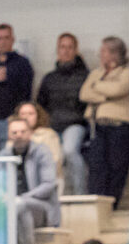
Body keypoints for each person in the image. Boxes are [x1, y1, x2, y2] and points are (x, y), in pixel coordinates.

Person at [82, 37, 129, 207]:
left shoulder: (125, 73)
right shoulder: (96, 73)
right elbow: (84, 93)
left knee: (117, 167)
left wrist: (96, 87)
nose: (100, 53)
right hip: (97, 127)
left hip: (119, 127)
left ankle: (112, 204)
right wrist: (105, 95)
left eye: (104, 50)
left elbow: (118, 89)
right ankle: (97, 204)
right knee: (97, 167)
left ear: (114, 53)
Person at [3, 116, 61, 244]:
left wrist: (23, 198)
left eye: (22, 131)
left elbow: (49, 184)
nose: (19, 135)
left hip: (42, 207)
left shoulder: (42, 152)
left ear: (30, 133)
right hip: (13, 206)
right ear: (8, 135)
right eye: (14, 132)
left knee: (19, 205)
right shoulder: (4, 155)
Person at [38, 33, 90, 195]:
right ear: (57, 50)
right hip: (52, 125)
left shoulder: (85, 76)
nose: (66, 51)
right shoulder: (49, 78)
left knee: (69, 151)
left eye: (69, 47)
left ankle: (80, 194)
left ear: (75, 50)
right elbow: (40, 104)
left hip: (75, 123)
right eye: (62, 47)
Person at [0, 23, 33, 143]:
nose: (3, 42)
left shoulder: (22, 63)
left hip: (13, 118)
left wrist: (10, 76)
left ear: (12, 39)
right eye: (0, 38)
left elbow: (26, 91)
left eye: (6, 38)